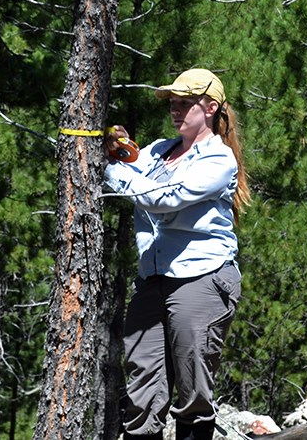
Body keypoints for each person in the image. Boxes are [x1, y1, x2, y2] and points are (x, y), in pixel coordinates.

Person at [104, 68, 251, 440]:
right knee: (141, 388)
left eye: (186, 103)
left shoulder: (218, 160)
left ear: (211, 107)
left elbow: (163, 199)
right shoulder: (157, 151)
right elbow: (129, 163)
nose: (176, 110)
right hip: (153, 279)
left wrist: (112, 170)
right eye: (173, 102)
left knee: (192, 389)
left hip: (200, 278)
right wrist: (117, 148)